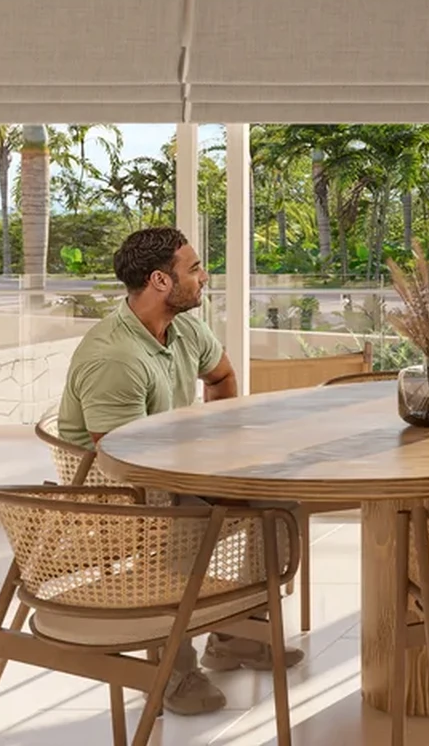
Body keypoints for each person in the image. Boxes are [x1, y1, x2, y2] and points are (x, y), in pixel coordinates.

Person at [57, 226, 302, 716]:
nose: (204, 276)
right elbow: (123, 461)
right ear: (159, 282)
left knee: (277, 501)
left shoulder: (184, 326)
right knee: (185, 519)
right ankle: (173, 670)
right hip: (117, 493)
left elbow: (223, 377)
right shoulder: (115, 358)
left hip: (174, 470)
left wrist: (219, 445)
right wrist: (205, 469)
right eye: (192, 269)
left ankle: (234, 634)